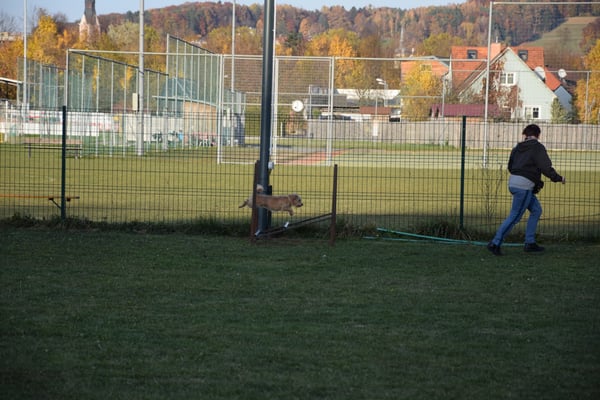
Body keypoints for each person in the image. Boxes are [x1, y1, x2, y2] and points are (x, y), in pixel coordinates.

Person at [487, 124, 566, 256]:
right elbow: (545, 167)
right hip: (523, 187)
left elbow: (510, 166)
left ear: (525, 134)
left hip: (514, 182)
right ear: (538, 135)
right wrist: (558, 178)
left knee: (536, 210)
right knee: (515, 216)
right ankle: (495, 243)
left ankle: (530, 243)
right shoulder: (538, 147)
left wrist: (526, 177)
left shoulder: (517, 147)